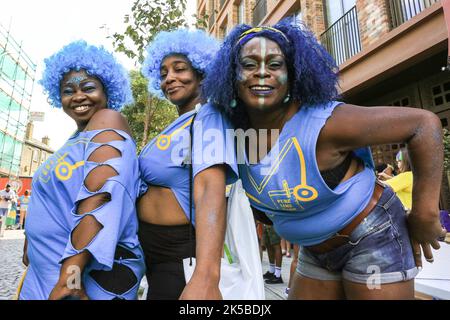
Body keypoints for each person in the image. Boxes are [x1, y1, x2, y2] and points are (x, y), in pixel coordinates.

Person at [203, 18, 446, 299]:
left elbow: (424, 125)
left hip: (373, 234)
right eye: (248, 64)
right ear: (231, 76)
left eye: (274, 64)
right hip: (316, 249)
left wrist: (424, 215)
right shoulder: (233, 132)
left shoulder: (325, 122)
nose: (261, 73)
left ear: (293, 74)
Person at [19, 41, 145, 300]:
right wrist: (31, 242)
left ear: (107, 90)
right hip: (47, 273)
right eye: (68, 90)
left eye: (88, 88)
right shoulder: (74, 139)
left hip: (81, 278)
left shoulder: (108, 120)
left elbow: (102, 194)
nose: (78, 96)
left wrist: (71, 276)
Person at [138, 29, 238, 299]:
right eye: (163, 73)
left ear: (201, 71)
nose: (169, 78)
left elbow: (209, 190)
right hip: (154, 253)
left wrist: (207, 275)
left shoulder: (209, 117)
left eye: (179, 69)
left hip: (180, 255)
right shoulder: (179, 123)